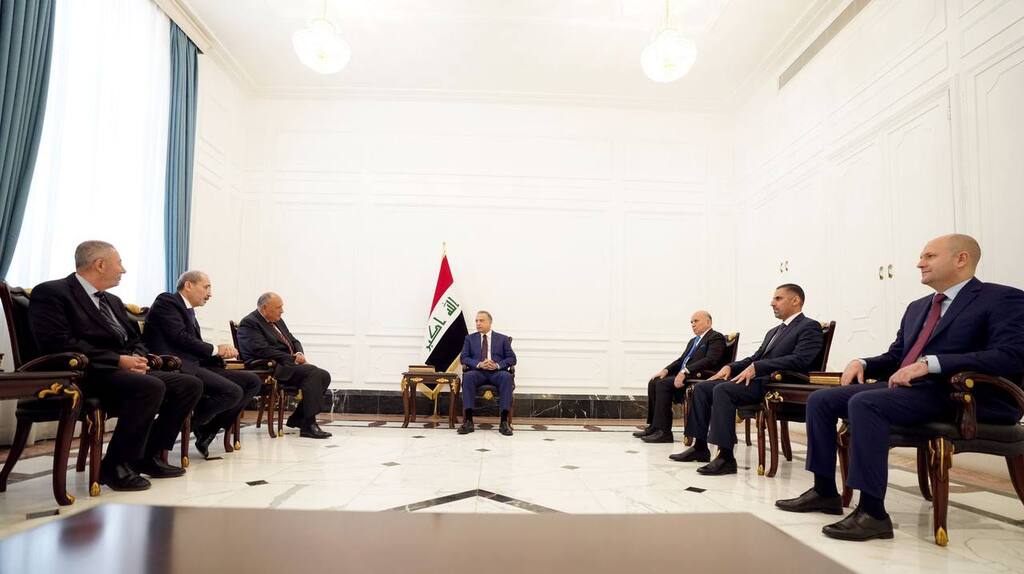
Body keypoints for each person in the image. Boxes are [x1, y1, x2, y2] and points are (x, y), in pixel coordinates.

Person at [775, 234, 1024, 541]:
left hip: (963, 396)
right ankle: (824, 491)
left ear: (961, 259)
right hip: (913, 392)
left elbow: (1010, 355)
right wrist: (862, 363)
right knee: (822, 400)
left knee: (865, 403)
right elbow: (896, 357)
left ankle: (873, 513)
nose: (920, 263)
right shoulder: (918, 307)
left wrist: (932, 363)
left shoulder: (1002, 299)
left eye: (929, 256)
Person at [29, 240, 202, 491]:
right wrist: (118, 360)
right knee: (150, 386)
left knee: (189, 385)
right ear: (100, 264)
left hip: (121, 372)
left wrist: (139, 358)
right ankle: (114, 466)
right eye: (119, 263)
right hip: (83, 373)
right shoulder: (52, 293)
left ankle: (148, 455)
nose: (123, 270)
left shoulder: (112, 300)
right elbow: (58, 343)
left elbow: (134, 340)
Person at [670, 284, 823, 475]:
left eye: (778, 298)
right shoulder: (774, 331)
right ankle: (700, 447)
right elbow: (755, 357)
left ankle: (726, 458)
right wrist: (731, 367)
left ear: (796, 300)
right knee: (703, 388)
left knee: (722, 390)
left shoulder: (809, 326)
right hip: (758, 382)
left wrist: (759, 367)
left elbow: (801, 359)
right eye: (773, 299)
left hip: (777, 384)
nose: (772, 303)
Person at [143, 271, 262, 458]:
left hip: (196, 365)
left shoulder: (189, 311)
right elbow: (179, 337)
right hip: (176, 366)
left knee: (252, 381)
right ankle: (183, 427)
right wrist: (215, 349)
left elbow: (192, 344)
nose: (210, 294)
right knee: (232, 391)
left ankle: (207, 429)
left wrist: (218, 355)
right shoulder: (167, 301)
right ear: (188, 285)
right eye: (206, 287)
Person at [237, 292, 331, 439]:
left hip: (285, 365)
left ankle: (298, 418)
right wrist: (292, 359)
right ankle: (308, 424)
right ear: (265, 308)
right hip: (269, 368)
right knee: (313, 372)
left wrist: (298, 353)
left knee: (324, 375)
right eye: (278, 307)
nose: (282, 311)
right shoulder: (250, 323)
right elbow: (261, 350)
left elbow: (293, 340)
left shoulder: (277, 320)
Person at [636, 311, 727, 443]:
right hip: (685, 374)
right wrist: (666, 370)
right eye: (691, 322)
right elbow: (681, 360)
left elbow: (711, 360)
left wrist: (685, 371)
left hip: (697, 377)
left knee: (663, 384)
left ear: (708, 322)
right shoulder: (693, 341)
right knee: (655, 381)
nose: (693, 324)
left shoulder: (715, 337)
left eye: (696, 321)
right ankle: (654, 427)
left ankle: (664, 433)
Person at [458, 311, 517, 436]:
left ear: (490, 322)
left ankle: (504, 422)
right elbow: (464, 358)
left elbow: (512, 359)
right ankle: (468, 421)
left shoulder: (503, 339)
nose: (478, 323)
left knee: (507, 377)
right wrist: (479, 364)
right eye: (476, 321)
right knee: (468, 376)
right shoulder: (469, 339)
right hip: (478, 372)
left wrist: (497, 365)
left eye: (481, 320)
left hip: (496, 373)